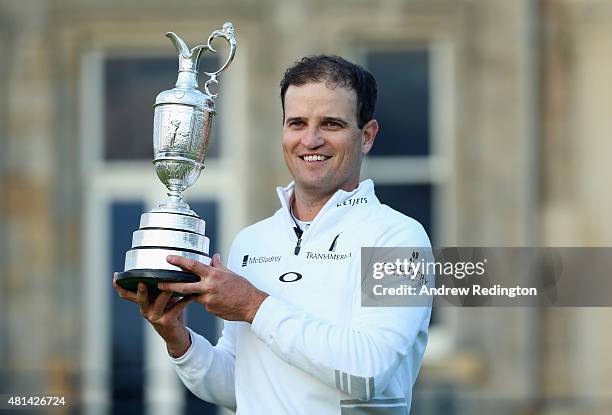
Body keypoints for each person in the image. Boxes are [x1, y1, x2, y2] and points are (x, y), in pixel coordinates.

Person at [114, 55, 432, 414]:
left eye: (331, 124)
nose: (310, 140)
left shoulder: (399, 238)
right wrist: (178, 338)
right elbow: (240, 385)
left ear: (367, 136)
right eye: (297, 123)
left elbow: (368, 371)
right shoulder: (253, 241)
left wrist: (253, 305)